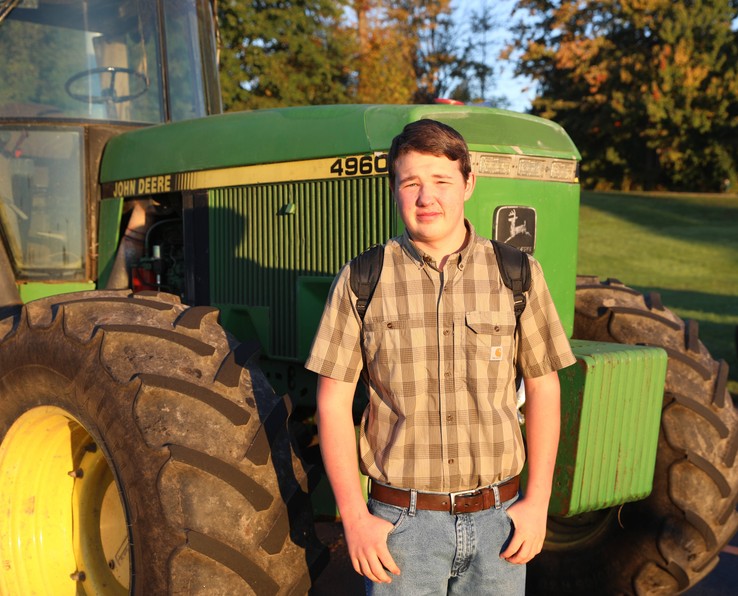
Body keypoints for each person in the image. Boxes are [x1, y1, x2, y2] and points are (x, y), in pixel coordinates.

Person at [305, 119, 576, 594]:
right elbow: (331, 403)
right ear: (395, 190)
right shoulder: (362, 280)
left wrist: (537, 502)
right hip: (399, 529)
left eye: (441, 182)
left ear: (469, 184)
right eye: (411, 183)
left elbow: (544, 388)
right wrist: (354, 517)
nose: (426, 197)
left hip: (500, 526)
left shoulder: (517, 274)